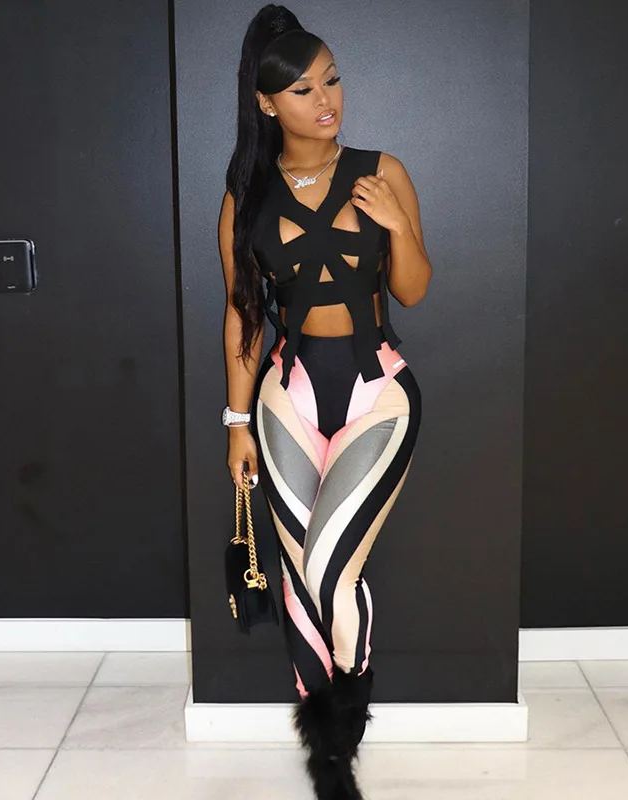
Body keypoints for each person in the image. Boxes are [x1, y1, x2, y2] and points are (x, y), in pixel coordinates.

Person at [218, 5, 431, 798]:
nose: (326, 99)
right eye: (303, 89)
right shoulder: (246, 198)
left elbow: (413, 288)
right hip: (288, 394)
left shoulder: (382, 171)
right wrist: (237, 423)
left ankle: (346, 717)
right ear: (267, 103)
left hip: (378, 391)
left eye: (332, 80)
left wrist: (397, 226)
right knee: (298, 576)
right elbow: (243, 316)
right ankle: (329, 760)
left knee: (332, 571)